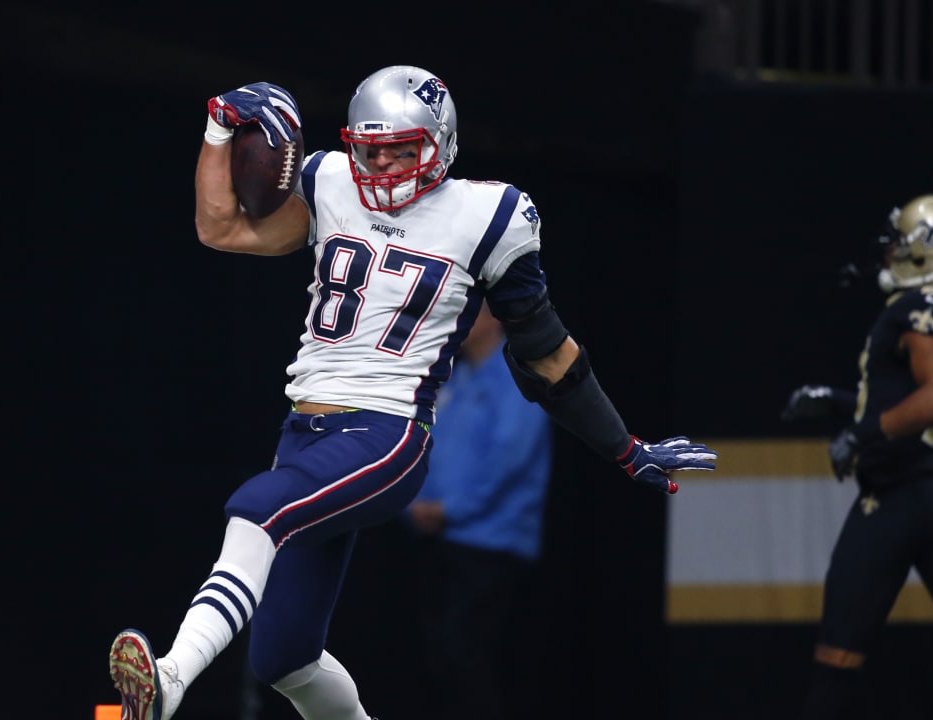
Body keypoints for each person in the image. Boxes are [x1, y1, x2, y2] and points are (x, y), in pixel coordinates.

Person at [109, 65, 718, 720]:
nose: (383, 164)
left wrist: (626, 448)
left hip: (387, 431)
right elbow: (221, 228)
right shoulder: (332, 180)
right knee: (283, 657)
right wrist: (218, 128)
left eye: (402, 148)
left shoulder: (488, 214)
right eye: (370, 148)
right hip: (304, 435)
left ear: (441, 142)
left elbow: (547, 355)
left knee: (257, 507)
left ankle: (171, 678)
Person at [781, 192, 933, 718]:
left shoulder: (917, 309)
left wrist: (860, 438)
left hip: (896, 497)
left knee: (835, 667)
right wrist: (836, 404)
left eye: (901, 242)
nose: (890, 250)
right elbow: (903, 401)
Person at [403, 303, 552, 719]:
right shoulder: (451, 378)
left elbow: (508, 457)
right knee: (439, 662)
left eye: (470, 310)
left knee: (470, 658)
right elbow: (422, 449)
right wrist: (412, 504)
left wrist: (451, 508)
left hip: (492, 545)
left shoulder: (519, 378)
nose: (457, 320)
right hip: (439, 542)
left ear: (498, 316)